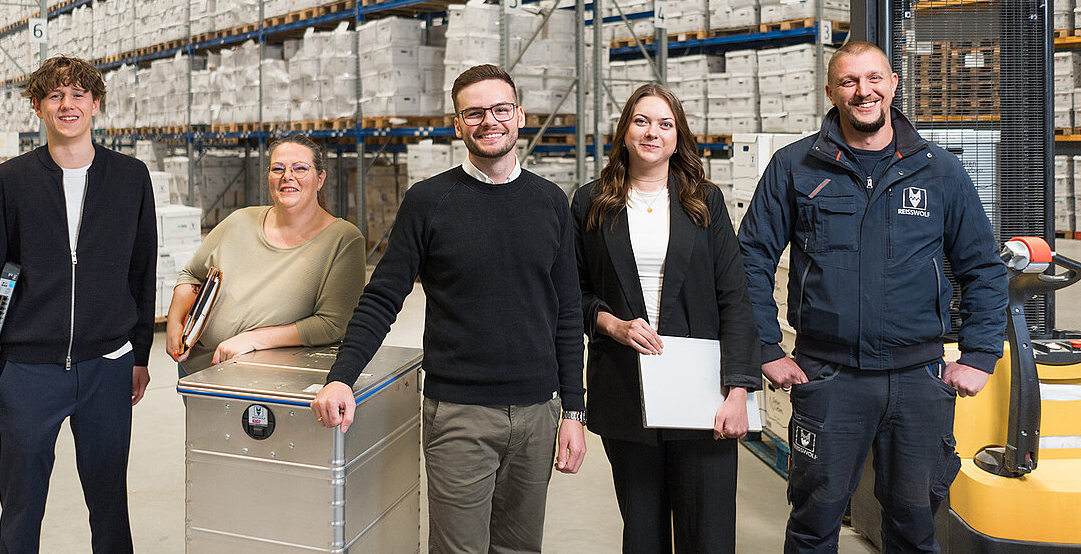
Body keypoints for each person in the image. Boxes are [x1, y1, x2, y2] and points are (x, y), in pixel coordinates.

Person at [738, 41, 1007, 553]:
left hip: (918, 381)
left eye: (874, 78)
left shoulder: (939, 170)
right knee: (814, 522)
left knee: (914, 523)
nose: (864, 92)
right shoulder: (795, 166)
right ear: (832, 92)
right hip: (830, 378)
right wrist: (767, 348)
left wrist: (979, 353)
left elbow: (983, 267)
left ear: (893, 84)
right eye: (849, 82)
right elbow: (749, 259)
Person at [310, 63, 587, 553]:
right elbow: (383, 296)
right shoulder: (429, 201)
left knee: (521, 549)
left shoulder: (550, 203)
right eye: (474, 113)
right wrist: (341, 375)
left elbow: (567, 313)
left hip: (538, 412)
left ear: (519, 115)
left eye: (500, 109)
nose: (489, 121)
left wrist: (574, 411)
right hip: (459, 412)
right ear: (457, 125)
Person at [0, 55, 157, 553]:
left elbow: (142, 272)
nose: (68, 105)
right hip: (28, 371)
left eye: (79, 95)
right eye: (55, 96)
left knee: (110, 504)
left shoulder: (130, 178)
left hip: (108, 366)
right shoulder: (9, 182)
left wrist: (140, 352)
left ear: (96, 105)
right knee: (21, 505)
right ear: (38, 108)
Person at [572, 83, 761, 553]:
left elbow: (734, 297)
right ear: (624, 132)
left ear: (678, 138)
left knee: (708, 533)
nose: (651, 132)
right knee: (642, 531)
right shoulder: (591, 203)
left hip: (702, 393)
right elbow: (571, 294)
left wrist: (738, 389)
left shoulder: (705, 202)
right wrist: (611, 324)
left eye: (664, 124)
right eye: (641, 121)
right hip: (626, 387)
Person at [166, 134, 365, 374]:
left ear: (320, 179)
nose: (287, 176)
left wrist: (253, 339)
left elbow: (333, 324)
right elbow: (191, 274)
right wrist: (174, 322)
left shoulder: (343, 239)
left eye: (300, 168)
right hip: (195, 369)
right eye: (277, 168)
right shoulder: (239, 221)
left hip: (261, 377)